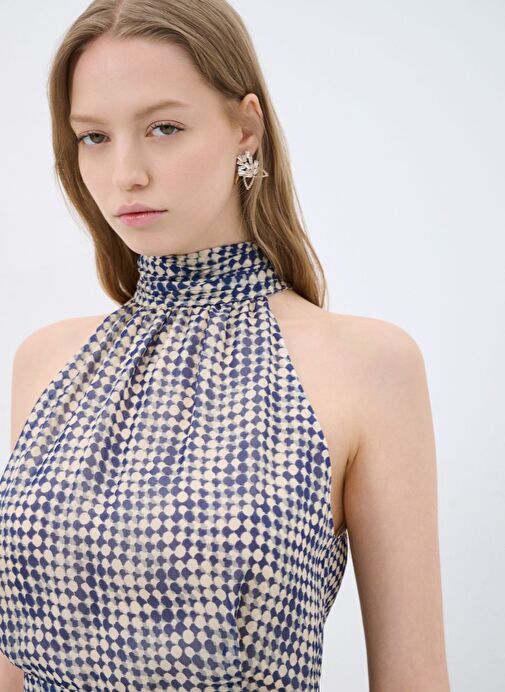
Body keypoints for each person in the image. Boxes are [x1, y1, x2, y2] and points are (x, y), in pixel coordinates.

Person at [0, 1, 451, 690]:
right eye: (93, 136)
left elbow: (413, 678)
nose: (125, 174)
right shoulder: (46, 362)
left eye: (164, 128)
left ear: (246, 128)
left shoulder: (369, 366)